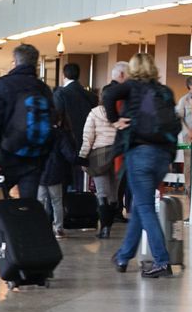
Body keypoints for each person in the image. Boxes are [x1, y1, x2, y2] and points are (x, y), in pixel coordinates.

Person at [0, 43, 58, 277]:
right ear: (35, 64)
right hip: (34, 158)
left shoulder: (5, 85)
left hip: (5, 158)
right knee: (28, 210)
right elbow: (53, 125)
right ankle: (30, 260)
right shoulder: (43, 89)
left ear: (15, 62)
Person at [111, 52, 180, 277]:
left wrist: (115, 120)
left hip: (140, 153)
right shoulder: (165, 92)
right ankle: (123, 256)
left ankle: (161, 261)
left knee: (145, 208)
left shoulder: (131, 87)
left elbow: (109, 94)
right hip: (162, 155)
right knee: (142, 207)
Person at [78, 91, 121, 238]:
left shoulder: (94, 113)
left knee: (102, 193)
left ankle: (104, 229)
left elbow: (88, 138)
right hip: (117, 155)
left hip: (99, 156)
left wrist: (83, 157)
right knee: (113, 194)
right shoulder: (120, 113)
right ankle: (109, 224)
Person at [53, 62, 95, 162]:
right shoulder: (91, 95)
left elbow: (56, 118)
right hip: (88, 140)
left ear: (63, 75)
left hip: (68, 142)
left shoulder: (60, 93)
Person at [176, 76, 192, 196]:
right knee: (189, 162)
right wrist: (188, 130)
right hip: (189, 136)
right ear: (190, 86)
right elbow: (179, 118)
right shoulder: (184, 100)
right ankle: (188, 186)